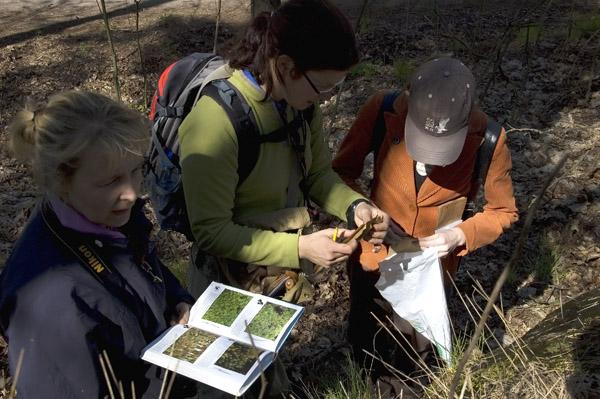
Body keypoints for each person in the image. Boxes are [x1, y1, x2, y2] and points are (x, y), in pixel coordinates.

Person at [179, 0, 389, 303]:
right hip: (225, 283)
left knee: (271, 351)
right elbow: (212, 232)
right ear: (286, 66)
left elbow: (317, 174)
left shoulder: (300, 105)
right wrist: (301, 248)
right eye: (322, 87)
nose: (326, 98)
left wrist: (355, 207)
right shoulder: (215, 121)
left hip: (275, 276)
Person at [332, 57, 518, 395]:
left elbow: (503, 211)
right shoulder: (382, 110)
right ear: (407, 101)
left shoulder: (489, 139)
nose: (427, 160)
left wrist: (459, 234)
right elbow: (340, 172)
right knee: (364, 338)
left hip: (429, 276)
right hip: (372, 259)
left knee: (410, 361)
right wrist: (363, 209)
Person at [0, 91, 196, 398]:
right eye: (110, 181)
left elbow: (142, 276)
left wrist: (177, 300)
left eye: (135, 171)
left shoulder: (106, 219)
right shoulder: (52, 301)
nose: (132, 193)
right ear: (61, 180)